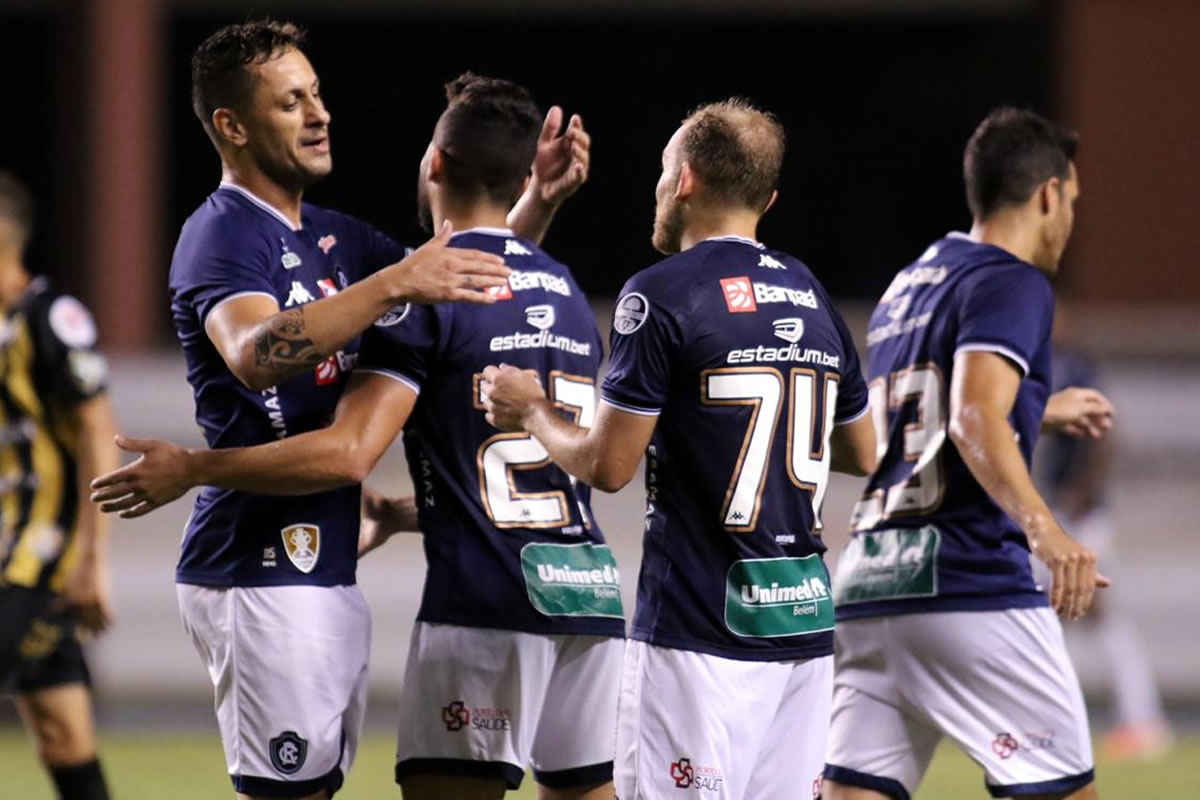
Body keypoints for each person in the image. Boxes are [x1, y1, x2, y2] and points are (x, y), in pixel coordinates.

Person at [92, 19, 589, 800]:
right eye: (292, 102)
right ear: (232, 125)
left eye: (317, 94)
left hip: (323, 565)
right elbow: (254, 353)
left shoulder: (332, 238)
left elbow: (450, 284)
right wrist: (191, 468)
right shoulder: (218, 236)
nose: (320, 114)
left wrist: (531, 203)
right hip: (256, 567)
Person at [483, 98, 878, 800]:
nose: (658, 187)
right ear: (769, 198)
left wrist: (530, 409)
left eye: (663, 171)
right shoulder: (813, 297)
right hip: (805, 633)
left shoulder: (660, 295)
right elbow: (862, 450)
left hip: (698, 638)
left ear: (686, 179)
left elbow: (607, 466)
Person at [823, 108, 1114, 800]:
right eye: (1070, 201)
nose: (1069, 219)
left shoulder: (910, 286)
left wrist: (1035, 411)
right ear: (1048, 195)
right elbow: (970, 414)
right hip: (967, 585)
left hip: (870, 588)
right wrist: (1045, 528)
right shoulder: (1012, 280)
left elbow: (908, 428)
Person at [0, 172, 119, 800]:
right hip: (20, 557)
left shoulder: (52, 318)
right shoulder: (5, 330)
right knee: (63, 736)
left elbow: (100, 432)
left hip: (36, 562)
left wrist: (93, 560)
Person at [1034, 316, 1173, 761]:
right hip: (1064, 509)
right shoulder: (1055, 364)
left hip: (1080, 516)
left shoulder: (1072, 367)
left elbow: (1105, 436)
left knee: (1096, 616)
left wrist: (1082, 496)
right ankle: (1068, 725)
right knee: (1059, 619)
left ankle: (1143, 721)